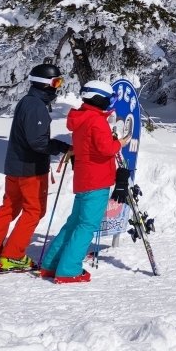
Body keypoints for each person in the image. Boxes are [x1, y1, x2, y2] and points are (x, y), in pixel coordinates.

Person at [0, 62, 71, 271]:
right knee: (34, 211)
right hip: (30, 169)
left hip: (16, 166)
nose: (58, 87)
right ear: (45, 84)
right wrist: (62, 147)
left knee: (9, 208)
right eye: (56, 82)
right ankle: (12, 256)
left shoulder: (27, 101)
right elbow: (38, 143)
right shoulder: (36, 106)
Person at [40, 81, 132, 283]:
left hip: (85, 178)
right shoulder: (96, 121)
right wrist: (120, 143)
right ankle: (68, 269)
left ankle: (51, 264)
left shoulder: (82, 117)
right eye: (110, 99)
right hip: (97, 179)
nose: (111, 102)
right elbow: (106, 149)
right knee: (87, 225)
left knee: (74, 224)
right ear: (100, 99)